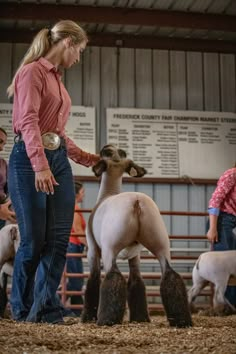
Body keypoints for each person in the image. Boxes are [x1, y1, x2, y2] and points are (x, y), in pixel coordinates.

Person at [6, 20, 100, 324]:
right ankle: (21, 310)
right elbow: (29, 122)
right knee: (33, 242)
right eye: (80, 51)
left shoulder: (58, 81)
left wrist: (88, 158)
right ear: (69, 42)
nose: (79, 58)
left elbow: (56, 134)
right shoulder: (32, 72)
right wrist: (40, 165)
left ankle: (45, 310)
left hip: (57, 158)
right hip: (28, 160)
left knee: (58, 241)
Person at [206, 164, 236, 306]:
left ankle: (230, 304)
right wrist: (212, 228)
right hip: (221, 221)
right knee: (225, 265)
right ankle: (225, 305)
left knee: (233, 265)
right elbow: (215, 200)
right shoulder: (232, 174)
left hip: (230, 222)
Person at [66, 181, 86, 316]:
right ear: (77, 193)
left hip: (74, 246)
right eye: (82, 192)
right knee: (75, 281)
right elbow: (78, 231)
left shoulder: (73, 207)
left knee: (76, 281)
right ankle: (52, 301)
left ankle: (77, 312)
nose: (83, 194)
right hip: (73, 245)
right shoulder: (75, 208)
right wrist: (92, 246)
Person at [0, 127, 16, 228]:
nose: (1, 148)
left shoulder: (3, 163)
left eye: (3, 144)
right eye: (0, 141)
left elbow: (9, 190)